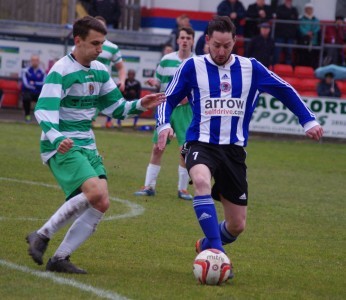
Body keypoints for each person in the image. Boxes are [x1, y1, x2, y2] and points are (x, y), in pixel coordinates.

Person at [156, 15, 323, 278]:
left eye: (227, 46)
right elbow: (167, 98)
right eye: (216, 45)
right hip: (200, 143)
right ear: (207, 41)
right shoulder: (192, 67)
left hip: (234, 151)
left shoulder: (251, 68)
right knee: (200, 181)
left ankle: (206, 245)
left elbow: (284, 89)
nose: (221, 52)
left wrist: (307, 119)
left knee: (237, 225)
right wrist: (163, 125)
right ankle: (219, 255)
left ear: (235, 42)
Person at [25, 16, 165, 274]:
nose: (101, 49)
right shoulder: (61, 70)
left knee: (102, 203)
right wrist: (57, 138)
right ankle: (41, 235)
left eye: (102, 43)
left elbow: (116, 108)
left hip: (87, 143)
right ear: (77, 41)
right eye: (95, 43)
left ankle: (60, 258)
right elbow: (44, 111)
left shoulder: (100, 70)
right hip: (61, 144)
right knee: (95, 192)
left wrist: (140, 104)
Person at [134, 27, 195, 200]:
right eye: (182, 37)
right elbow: (159, 82)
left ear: (192, 41)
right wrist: (155, 82)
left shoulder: (197, 62)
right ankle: (149, 186)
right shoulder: (166, 60)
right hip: (166, 107)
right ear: (178, 40)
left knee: (185, 149)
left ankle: (182, 189)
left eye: (188, 38)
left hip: (185, 110)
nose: (184, 40)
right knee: (157, 147)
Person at [95, 15, 126, 128]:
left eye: (101, 27)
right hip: (85, 83)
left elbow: (121, 67)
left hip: (102, 85)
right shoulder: (82, 45)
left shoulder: (112, 47)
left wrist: (122, 81)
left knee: (118, 107)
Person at [21, 54, 46, 122]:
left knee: (45, 99)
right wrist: (36, 85)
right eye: (33, 60)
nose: (35, 62)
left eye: (36, 60)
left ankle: (42, 119)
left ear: (39, 61)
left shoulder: (42, 71)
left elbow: (43, 83)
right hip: (29, 91)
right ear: (30, 61)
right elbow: (26, 84)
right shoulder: (26, 71)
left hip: (39, 92)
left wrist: (34, 83)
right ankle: (27, 115)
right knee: (26, 98)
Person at [274, 0, 299, 65]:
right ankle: (275, 66)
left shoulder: (294, 9)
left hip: (290, 35)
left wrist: (287, 16)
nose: (289, 1)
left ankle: (288, 67)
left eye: (290, 0)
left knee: (289, 52)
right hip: (280, 34)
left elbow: (296, 19)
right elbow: (280, 15)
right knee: (277, 51)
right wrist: (290, 16)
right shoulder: (280, 8)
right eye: (287, 0)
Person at [298, 3, 320, 69]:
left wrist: (312, 33)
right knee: (303, 56)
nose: (309, 10)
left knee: (313, 56)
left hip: (313, 41)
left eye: (310, 9)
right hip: (304, 41)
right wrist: (306, 33)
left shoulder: (316, 19)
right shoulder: (302, 19)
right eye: (308, 9)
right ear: (305, 10)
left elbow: (317, 27)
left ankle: (311, 69)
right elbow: (300, 27)